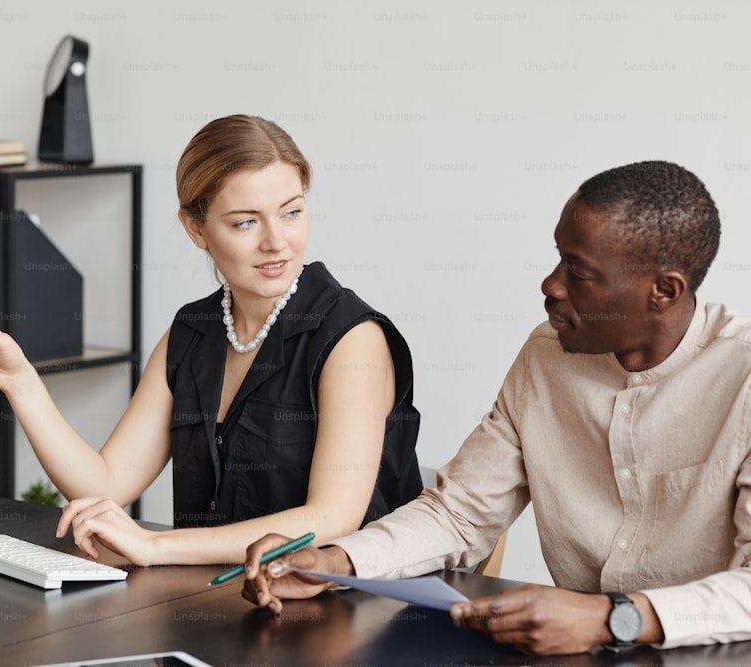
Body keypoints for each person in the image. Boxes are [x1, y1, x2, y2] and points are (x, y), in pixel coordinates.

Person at [242, 160, 751, 655]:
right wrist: (334, 562)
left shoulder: (742, 377)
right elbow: (461, 514)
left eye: (578, 271)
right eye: (558, 259)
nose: (550, 285)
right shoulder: (546, 355)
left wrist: (611, 618)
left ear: (663, 291)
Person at [0, 114, 422, 567]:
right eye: (246, 221)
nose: (276, 241)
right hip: (216, 606)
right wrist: (20, 382)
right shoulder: (191, 334)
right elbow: (106, 484)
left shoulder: (352, 338)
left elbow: (331, 518)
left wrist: (155, 545)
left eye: (291, 212)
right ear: (195, 227)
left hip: (338, 613)